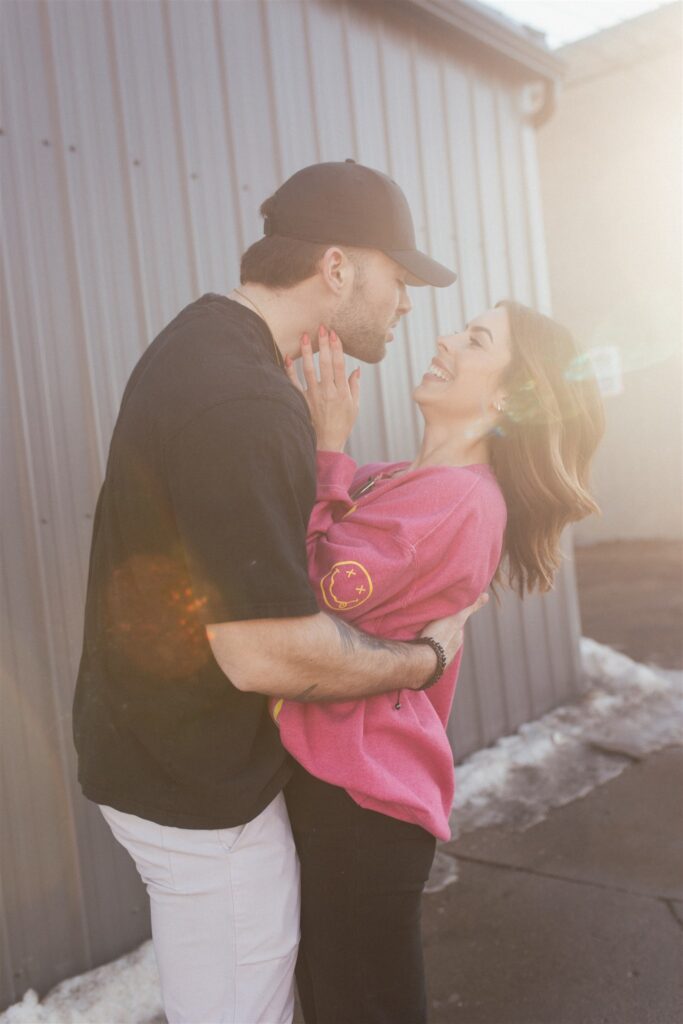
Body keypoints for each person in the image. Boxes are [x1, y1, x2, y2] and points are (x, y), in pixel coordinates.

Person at [72, 160, 483, 1024]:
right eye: (397, 277)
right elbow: (265, 649)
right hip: (198, 787)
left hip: (161, 755)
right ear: (336, 268)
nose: (407, 304)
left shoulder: (208, 342)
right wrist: (425, 657)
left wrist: (326, 448)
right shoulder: (245, 401)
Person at [275, 301, 605, 1024]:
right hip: (345, 796)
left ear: (508, 397)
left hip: (360, 808)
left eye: (477, 339)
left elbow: (298, 597)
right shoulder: (400, 479)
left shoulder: (456, 501)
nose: (446, 339)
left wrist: (326, 446)